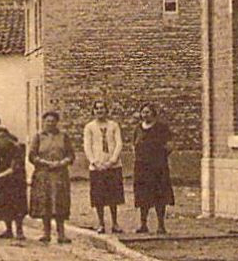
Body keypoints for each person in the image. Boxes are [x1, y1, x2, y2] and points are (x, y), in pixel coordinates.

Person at [27, 110, 74, 244]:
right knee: (45, 203)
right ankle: (46, 233)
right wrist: (45, 163)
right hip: (43, 174)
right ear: (44, 122)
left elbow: (71, 155)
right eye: (47, 121)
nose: (50, 124)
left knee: (60, 202)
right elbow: (32, 155)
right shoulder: (38, 137)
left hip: (60, 174)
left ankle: (61, 234)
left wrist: (61, 163)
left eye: (53, 121)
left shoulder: (63, 136)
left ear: (57, 123)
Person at [82, 100, 125, 234]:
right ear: (93, 111)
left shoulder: (113, 125)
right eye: (97, 109)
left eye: (102, 108)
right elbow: (87, 146)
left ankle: (115, 223)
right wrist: (94, 162)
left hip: (113, 166)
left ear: (107, 110)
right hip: (97, 167)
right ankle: (101, 223)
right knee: (98, 196)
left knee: (114, 196)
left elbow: (119, 143)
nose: (100, 111)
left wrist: (112, 161)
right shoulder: (89, 127)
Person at [133, 102, 175, 234]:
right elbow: (134, 145)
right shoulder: (138, 128)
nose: (145, 115)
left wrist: (158, 155)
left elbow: (169, 145)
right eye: (143, 112)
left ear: (154, 114)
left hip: (158, 167)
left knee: (159, 195)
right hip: (141, 167)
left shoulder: (161, 128)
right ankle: (143, 224)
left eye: (148, 112)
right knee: (143, 196)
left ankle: (161, 225)